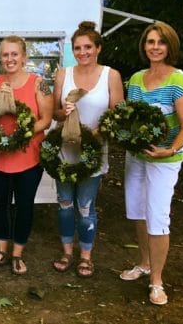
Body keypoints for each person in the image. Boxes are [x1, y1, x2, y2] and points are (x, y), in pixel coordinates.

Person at [119, 22, 183, 305]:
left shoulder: (179, 80)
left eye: (160, 42)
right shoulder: (137, 79)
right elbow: (131, 118)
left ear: (169, 46)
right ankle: (145, 263)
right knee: (138, 211)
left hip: (165, 159)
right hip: (137, 156)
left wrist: (169, 148)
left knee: (158, 216)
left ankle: (157, 281)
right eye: (150, 42)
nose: (154, 47)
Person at [51, 21, 124, 277]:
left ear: (98, 48)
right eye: (78, 48)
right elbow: (55, 113)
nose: (83, 52)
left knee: (85, 205)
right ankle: (66, 252)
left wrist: (95, 134)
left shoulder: (110, 76)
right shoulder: (63, 74)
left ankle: (85, 255)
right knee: (64, 204)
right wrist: (64, 112)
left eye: (88, 47)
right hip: (65, 152)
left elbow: (118, 116)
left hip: (93, 153)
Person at [0, 35, 53, 275]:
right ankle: (2, 248)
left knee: (24, 206)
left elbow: (46, 119)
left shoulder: (38, 83)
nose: (10, 59)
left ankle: (18, 253)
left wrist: (19, 135)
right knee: (1, 204)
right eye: (5, 54)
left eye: (14, 54)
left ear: (24, 57)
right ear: (0, 57)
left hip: (29, 157)